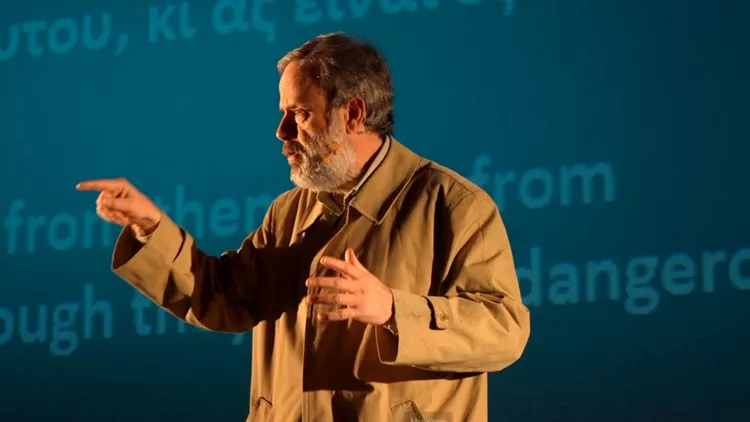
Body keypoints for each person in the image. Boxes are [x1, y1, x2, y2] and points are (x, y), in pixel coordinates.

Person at [76, 32, 530, 422]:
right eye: (283, 113)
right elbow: (224, 300)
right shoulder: (288, 212)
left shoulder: (453, 204)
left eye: (300, 113)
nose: (282, 131)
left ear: (353, 114)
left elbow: (504, 331)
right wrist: (151, 228)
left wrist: (393, 309)